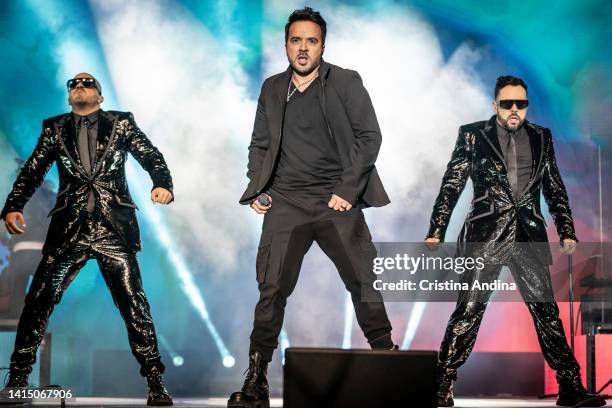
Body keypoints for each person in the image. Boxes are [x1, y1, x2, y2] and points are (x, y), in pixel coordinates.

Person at [229, 7, 396, 408]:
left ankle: (388, 361)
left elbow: (369, 137)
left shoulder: (345, 81)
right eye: (296, 40)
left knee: (363, 280)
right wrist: (259, 188)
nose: (303, 48)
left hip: (335, 202)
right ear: (286, 44)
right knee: (271, 289)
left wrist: (347, 188)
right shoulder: (272, 88)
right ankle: (256, 379)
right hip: (285, 202)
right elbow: (259, 144)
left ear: (322, 44)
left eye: (311, 41)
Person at [425, 75, 606, 407]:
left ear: (526, 106)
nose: (513, 109)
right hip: (485, 235)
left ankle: (570, 387)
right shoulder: (473, 135)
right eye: (507, 103)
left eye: (520, 104)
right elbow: (453, 183)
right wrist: (437, 227)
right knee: (468, 310)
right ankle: (441, 384)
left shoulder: (541, 137)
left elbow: (554, 186)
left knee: (546, 312)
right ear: (495, 105)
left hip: (528, 236)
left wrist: (566, 229)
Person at [1, 73, 174, 406]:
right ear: (68, 98)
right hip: (70, 229)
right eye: (73, 84)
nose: (79, 86)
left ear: (100, 96)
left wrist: (162, 183)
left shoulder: (121, 124)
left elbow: (151, 156)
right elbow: (33, 170)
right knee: (38, 300)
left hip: (113, 228)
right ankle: (18, 377)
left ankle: (155, 380)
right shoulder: (54, 128)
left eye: (87, 82)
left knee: (134, 306)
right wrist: (13, 205)